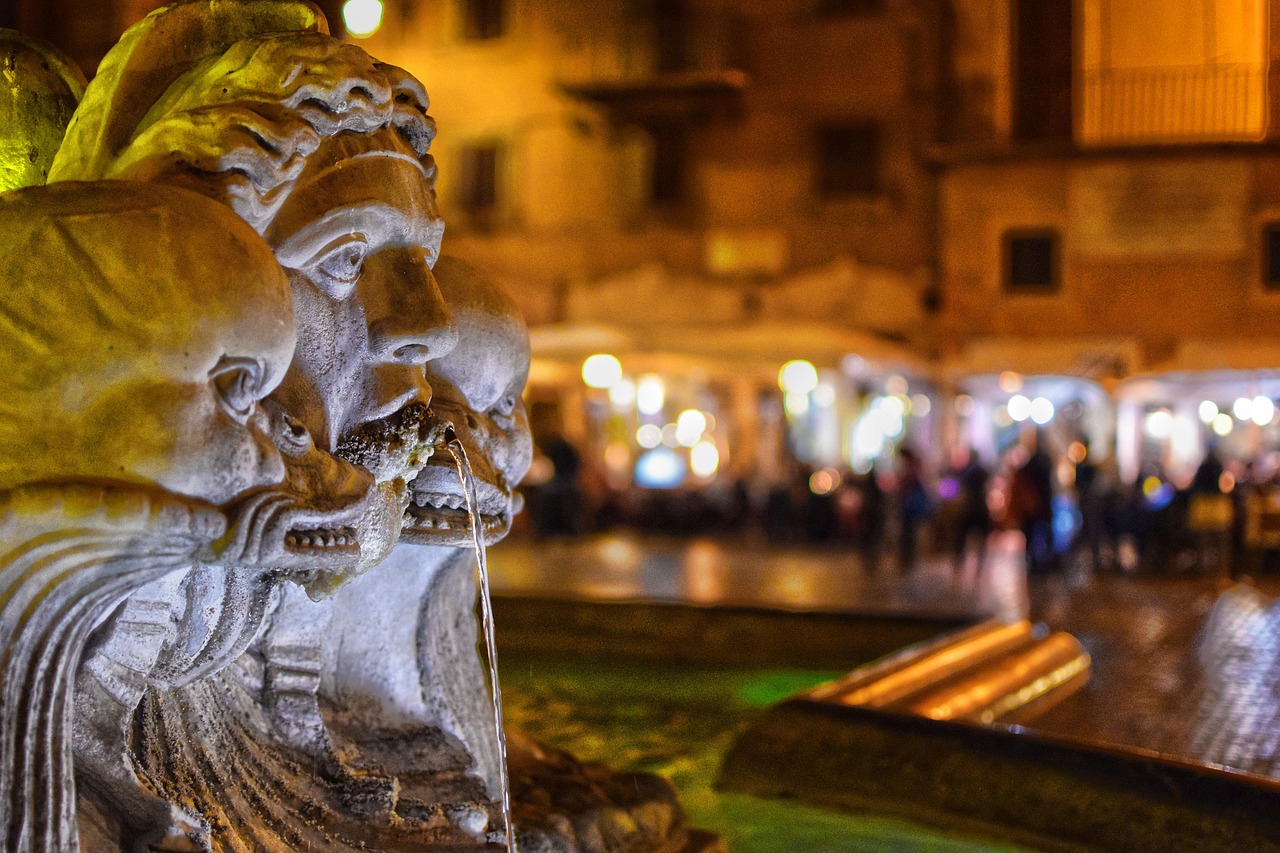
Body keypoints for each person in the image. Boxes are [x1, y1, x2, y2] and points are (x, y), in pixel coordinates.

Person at [1012, 434, 1055, 575]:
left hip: (1033, 505)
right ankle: (1044, 562)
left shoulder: (1031, 464)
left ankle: (1033, 562)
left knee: (1030, 535)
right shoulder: (1045, 462)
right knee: (1045, 533)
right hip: (1040, 503)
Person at [952, 448, 992, 576]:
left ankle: (960, 564)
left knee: (962, 538)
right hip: (979, 509)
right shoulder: (981, 471)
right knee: (980, 539)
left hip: (969, 509)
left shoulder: (966, 472)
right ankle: (978, 567)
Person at [897, 447, 930, 573]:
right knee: (908, 535)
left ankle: (908, 561)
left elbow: (909, 486)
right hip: (908, 507)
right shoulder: (913, 468)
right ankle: (907, 561)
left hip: (909, 507)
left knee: (909, 535)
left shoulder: (911, 470)